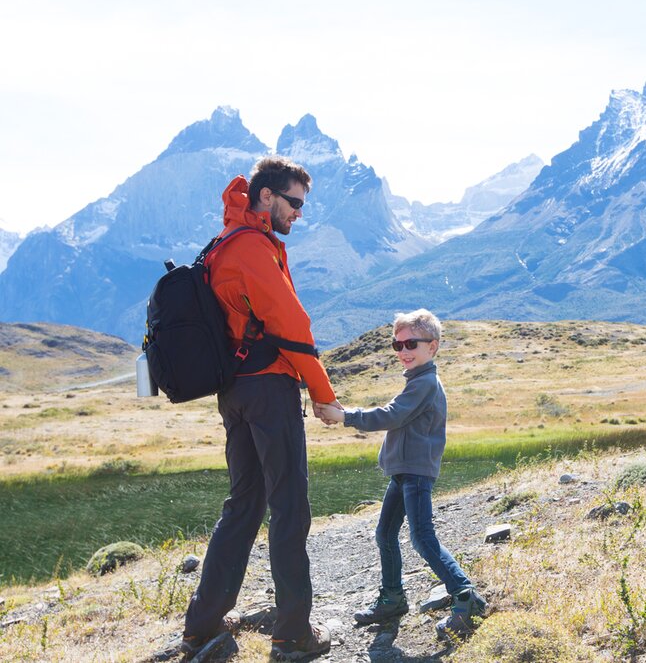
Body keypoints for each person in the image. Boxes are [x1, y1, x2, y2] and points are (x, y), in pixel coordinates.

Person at [180, 156, 341, 661]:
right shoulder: (251, 247)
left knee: (244, 504)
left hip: (236, 393)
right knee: (289, 506)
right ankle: (293, 632)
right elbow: (291, 324)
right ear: (266, 197)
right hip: (270, 390)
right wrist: (322, 393)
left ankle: (203, 625)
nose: (299, 214)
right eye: (294, 203)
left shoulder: (224, 241)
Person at [317, 309, 487, 639]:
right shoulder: (417, 381)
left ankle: (467, 597)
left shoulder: (425, 383)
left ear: (432, 347)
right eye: (397, 345)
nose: (403, 351)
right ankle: (393, 599)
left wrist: (345, 416)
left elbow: (392, 415)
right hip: (403, 471)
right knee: (385, 534)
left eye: (411, 343)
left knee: (422, 537)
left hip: (416, 472)